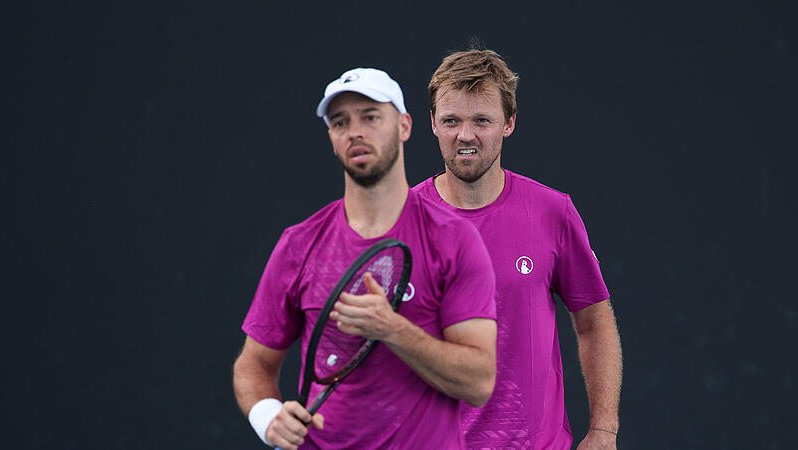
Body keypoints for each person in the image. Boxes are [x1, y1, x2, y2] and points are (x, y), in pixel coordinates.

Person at [233, 67, 498, 450]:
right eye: (340, 122)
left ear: (404, 126)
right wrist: (267, 415)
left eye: (370, 117)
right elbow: (253, 364)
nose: (355, 131)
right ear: (332, 138)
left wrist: (392, 329)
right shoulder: (299, 244)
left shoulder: (454, 240)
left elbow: (478, 382)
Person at [414, 49, 623, 449]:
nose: (466, 135)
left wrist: (602, 430)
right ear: (433, 124)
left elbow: (594, 322)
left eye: (482, 121)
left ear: (508, 123)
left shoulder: (552, 212)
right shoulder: (402, 222)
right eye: (452, 121)